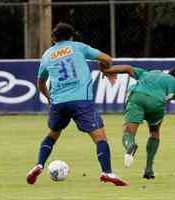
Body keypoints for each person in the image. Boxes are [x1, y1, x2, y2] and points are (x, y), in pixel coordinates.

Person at [26, 23, 128, 186]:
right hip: (81, 100)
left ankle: (39, 164)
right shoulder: (79, 47)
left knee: (52, 135)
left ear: (53, 38)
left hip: (58, 102)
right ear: (71, 37)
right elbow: (107, 59)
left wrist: (49, 98)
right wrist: (105, 70)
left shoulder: (47, 55)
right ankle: (107, 172)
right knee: (100, 137)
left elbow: (41, 83)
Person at [101, 65, 175, 179]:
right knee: (154, 132)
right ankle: (149, 170)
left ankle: (130, 145)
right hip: (156, 103)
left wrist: (108, 70)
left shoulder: (149, 73)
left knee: (129, 131)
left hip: (137, 97)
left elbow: (128, 68)